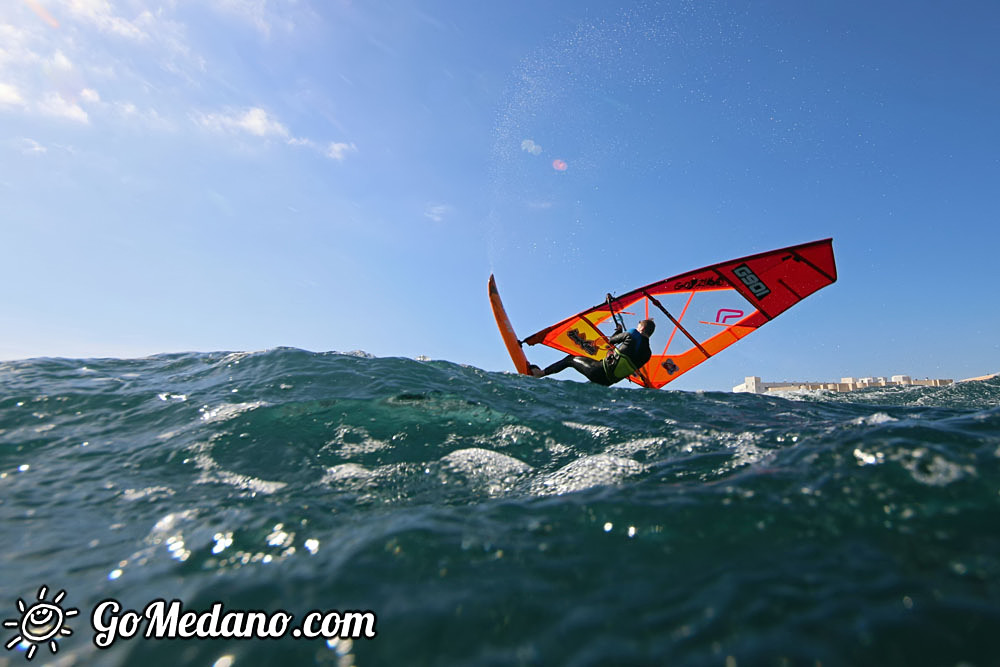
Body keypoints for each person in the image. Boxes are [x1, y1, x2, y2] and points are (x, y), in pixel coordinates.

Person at [531, 319, 655, 386]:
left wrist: (618, 331)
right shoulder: (647, 355)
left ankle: (541, 373)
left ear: (642, 328)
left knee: (570, 359)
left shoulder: (633, 333)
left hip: (599, 371)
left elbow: (610, 341)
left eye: (639, 326)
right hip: (608, 382)